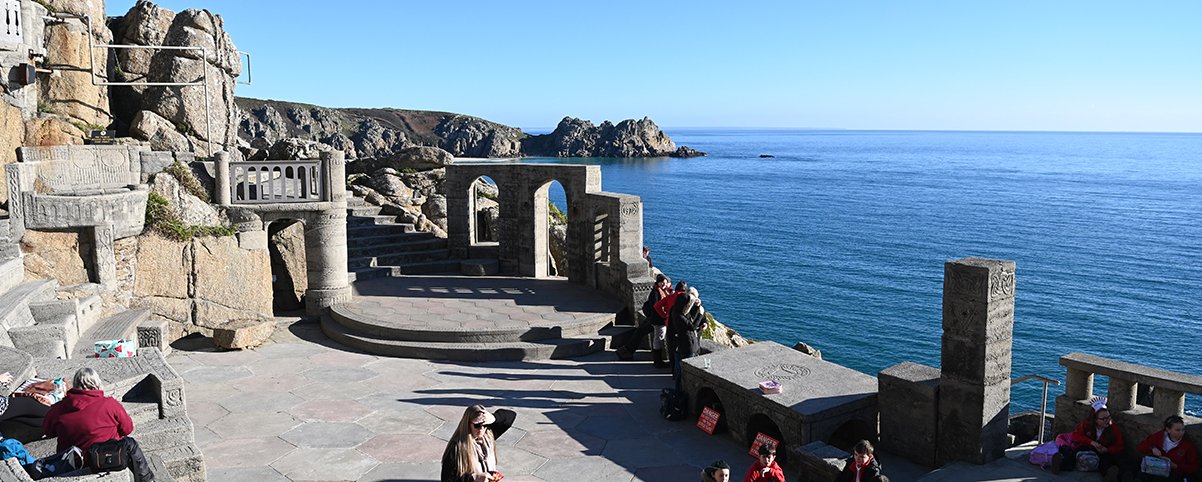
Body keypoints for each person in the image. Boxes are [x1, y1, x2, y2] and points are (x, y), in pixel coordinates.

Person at [42, 368, 155, 482]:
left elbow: (48, 431)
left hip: (71, 462)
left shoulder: (58, 408)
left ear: (75, 385)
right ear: (97, 383)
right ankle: (146, 480)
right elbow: (127, 429)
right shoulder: (110, 404)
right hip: (105, 458)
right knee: (130, 443)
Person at [1052, 398, 1124, 481]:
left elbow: (1120, 445)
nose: (1107, 421)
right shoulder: (1087, 424)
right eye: (1103, 419)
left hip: (1103, 451)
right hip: (1087, 447)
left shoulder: (1113, 428)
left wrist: (1107, 449)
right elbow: (1076, 436)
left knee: (1105, 461)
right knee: (1072, 455)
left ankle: (1109, 475)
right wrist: (1091, 442)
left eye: (1108, 417)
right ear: (1096, 420)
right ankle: (1059, 464)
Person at [441, 405, 517, 482]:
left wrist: (493, 418)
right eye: (477, 425)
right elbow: (447, 479)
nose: (481, 429)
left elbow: (511, 416)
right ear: (467, 424)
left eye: (485, 425)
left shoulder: (488, 435)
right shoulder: (456, 448)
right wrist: (474, 478)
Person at [616, 274, 672, 368]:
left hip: (653, 319)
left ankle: (625, 351)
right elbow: (655, 306)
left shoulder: (662, 291)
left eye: (665, 282)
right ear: (658, 282)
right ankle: (657, 362)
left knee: (640, 332)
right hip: (657, 320)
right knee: (657, 339)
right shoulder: (655, 293)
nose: (663, 284)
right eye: (662, 282)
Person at [1131, 415, 1198, 482]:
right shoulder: (1159, 436)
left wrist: (1175, 466)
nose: (1181, 432)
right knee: (1140, 474)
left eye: (1183, 429)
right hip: (1156, 467)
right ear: (1168, 430)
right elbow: (1140, 447)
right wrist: (1152, 448)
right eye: (1177, 430)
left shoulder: (1187, 446)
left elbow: (1193, 467)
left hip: (1174, 473)